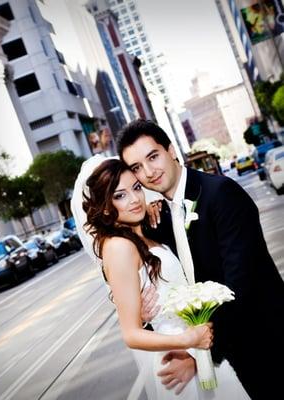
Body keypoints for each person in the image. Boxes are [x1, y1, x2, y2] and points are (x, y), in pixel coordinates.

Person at [116, 118, 284, 400]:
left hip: (267, 340)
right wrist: (145, 315)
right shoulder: (159, 219)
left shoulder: (222, 194)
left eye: (153, 157)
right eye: (136, 168)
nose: (148, 172)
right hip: (229, 357)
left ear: (171, 150)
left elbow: (239, 288)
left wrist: (198, 356)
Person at [72, 156, 250, 399]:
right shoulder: (118, 247)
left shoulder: (146, 234)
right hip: (177, 356)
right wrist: (188, 339)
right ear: (104, 206)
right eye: (120, 195)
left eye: (136, 188)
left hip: (198, 348)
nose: (134, 199)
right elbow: (131, 334)